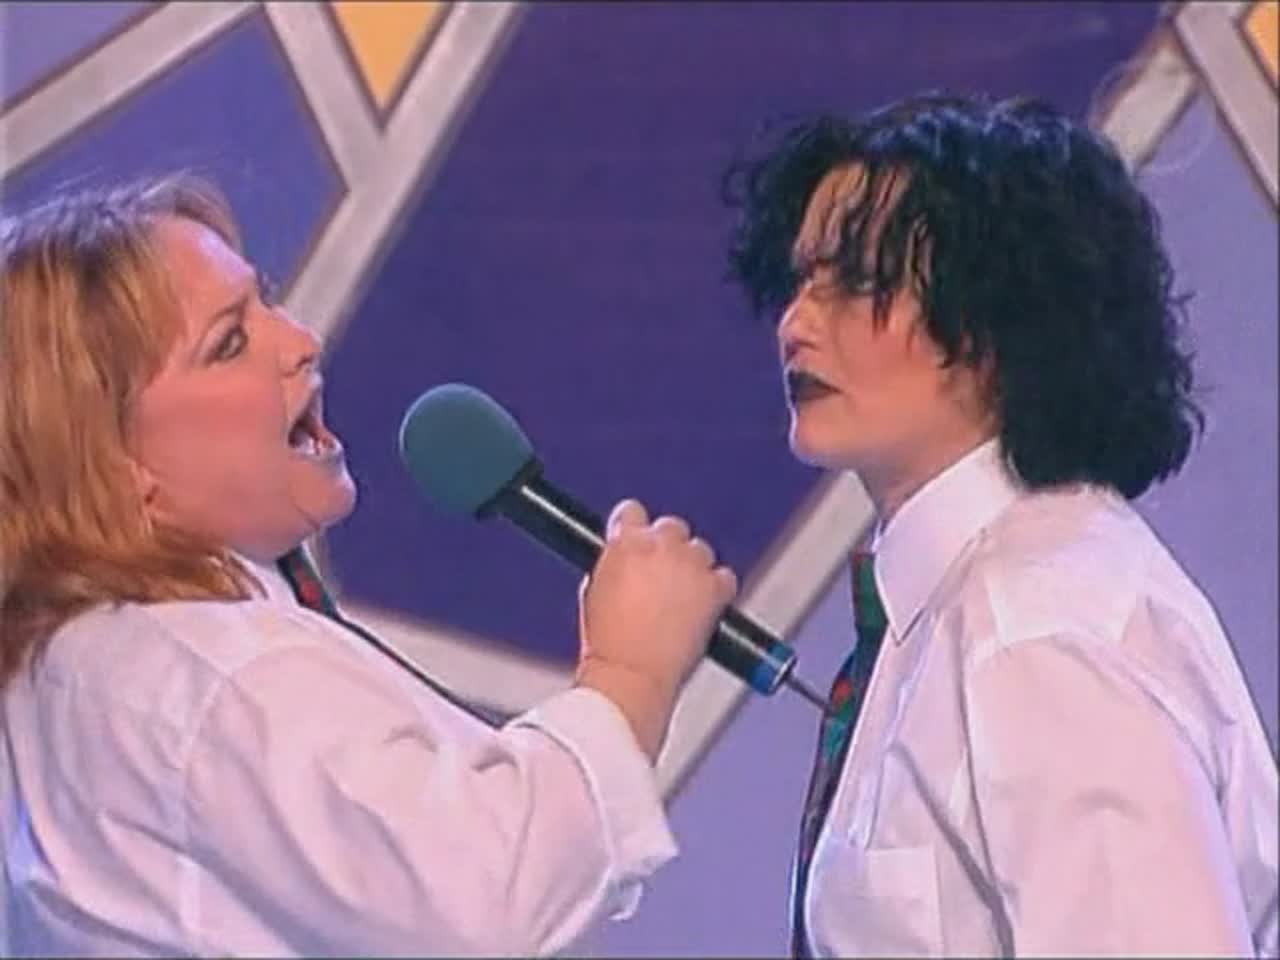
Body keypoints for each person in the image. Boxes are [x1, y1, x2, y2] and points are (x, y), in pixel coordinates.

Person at [0, 174, 738, 956]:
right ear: (114, 467)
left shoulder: (74, 671)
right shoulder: (218, 679)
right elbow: (484, 899)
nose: (299, 341)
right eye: (230, 343)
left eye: (266, 299)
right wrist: (630, 674)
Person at [723, 92, 1278, 957]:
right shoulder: (958, 605)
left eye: (856, 283)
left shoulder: (1038, 628)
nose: (795, 323)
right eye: (800, 281)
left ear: (995, 323)